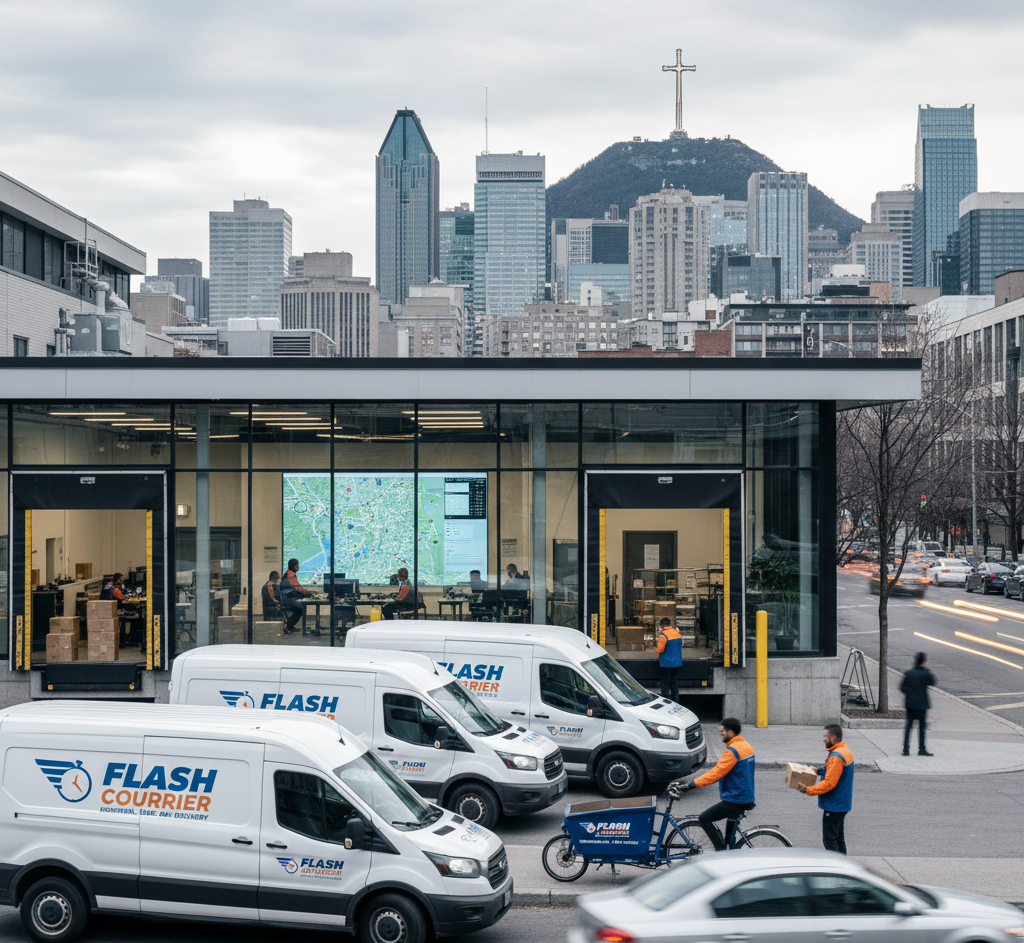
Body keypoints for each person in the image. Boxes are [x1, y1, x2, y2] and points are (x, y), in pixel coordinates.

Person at [672, 718, 754, 850]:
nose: (720, 734)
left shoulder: (732, 751)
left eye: (722, 731)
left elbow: (715, 774)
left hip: (736, 799)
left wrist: (690, 785)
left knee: (704, 818)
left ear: (731, 732)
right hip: (745, 796)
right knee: (729, 839)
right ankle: (730, 853)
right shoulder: (746, 746)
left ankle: (720, 854)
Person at [798, 724, 854, 855]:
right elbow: (835, 772)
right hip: (841, 804)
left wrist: (808, 790)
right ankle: (843, 869)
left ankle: (837, 871)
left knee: (830, 842)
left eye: (826, 737)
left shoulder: (836, 756)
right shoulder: (844, 751)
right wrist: (818, 770)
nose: (824, 739)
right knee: (838, 839)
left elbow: (829, 783)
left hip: (834, 805)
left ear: (834, 738)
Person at [900, 652, 936, 756]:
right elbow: (932, 682)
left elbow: (902, 687)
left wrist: (908, 694)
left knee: (908, 726)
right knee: (922, 727)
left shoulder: (909, 673)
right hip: (922, 704)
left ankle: (906, 749)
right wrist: (928, 671)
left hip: (910, 703)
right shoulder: (926, 673)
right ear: (924, 661)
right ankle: (922, 749)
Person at [280, 559, 311, 635]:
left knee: (299, 607)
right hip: (287, 598)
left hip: (287, 597)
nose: (298, 567)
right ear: (294, 566)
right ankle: (289, 626)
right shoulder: (290, 574)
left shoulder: (288, 573)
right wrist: (309, 592)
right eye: (297, 565)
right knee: (300, 607)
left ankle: (290, 625)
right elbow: (298, 588)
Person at [655, 616, 683, 701]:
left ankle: (666, 700)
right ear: (670, 624)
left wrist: (656, 649)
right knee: (674, 682)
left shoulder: (664, 635)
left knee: (665, 683)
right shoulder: (677, 633)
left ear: (661, 625)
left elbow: (660, 650)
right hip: (677, 663)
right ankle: (676, 700)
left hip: (666, 663)